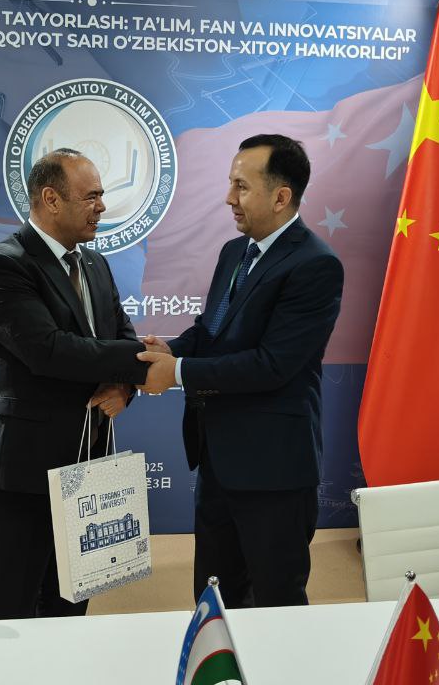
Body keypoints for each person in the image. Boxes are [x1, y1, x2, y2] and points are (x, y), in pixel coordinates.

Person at [137, 134, 343, 608]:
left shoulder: (316, 265)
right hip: (218, 460)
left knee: (276, 602)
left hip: (274, 470)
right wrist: (167, 350)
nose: (229, 198)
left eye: (241, 186)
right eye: (231, 183)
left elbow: (272, 365)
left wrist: (177, 372)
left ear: (281, 196)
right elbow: (210, 332)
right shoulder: (235, 252)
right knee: (215, 600)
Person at [0, 148, 147, 620]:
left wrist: (124, 388)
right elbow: (50, 351)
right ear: (51, 199)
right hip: (23, 471)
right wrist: (147, 362)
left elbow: (121, 336)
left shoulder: (95, 265)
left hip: (87, 469)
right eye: (91, 196)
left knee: (69, 607)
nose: (102, 207)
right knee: (10, 610)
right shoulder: (4, 266)